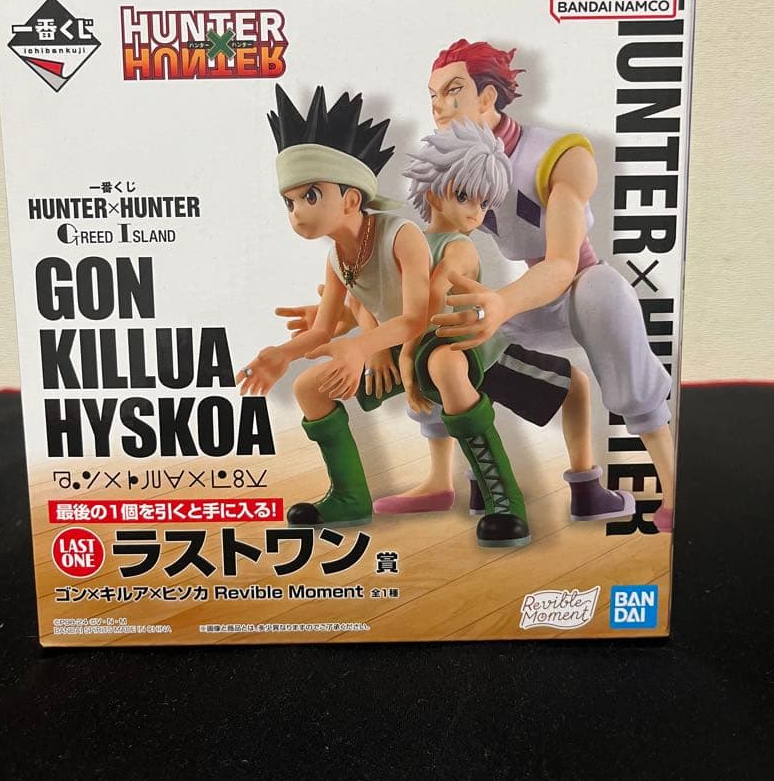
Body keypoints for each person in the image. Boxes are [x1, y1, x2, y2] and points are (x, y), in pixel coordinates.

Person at [238, 85, 530, 547]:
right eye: (289, 202)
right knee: (308, 387)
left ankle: (504, 501)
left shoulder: (401, 234)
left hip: (444, 333)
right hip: (391, 346)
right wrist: (283, 353)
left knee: (445, 366)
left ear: (351, 199)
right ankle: (349, 497)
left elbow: (416, 318)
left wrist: (362, 347)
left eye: (310, 195)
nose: (297, 213)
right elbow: (323, 329)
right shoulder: (336, 258)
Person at [427, 40, 675, 532]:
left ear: (487, 97)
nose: (438, 106)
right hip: (529, 297)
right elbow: (434, 248)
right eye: (432, 95)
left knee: (603, 299)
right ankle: (478, 479)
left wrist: (499, 304)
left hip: (580, 281)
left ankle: (673, 488)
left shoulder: (558, 155)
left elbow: (562, 263)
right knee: (457, 344)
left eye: (452, 91)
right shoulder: (453, 164)